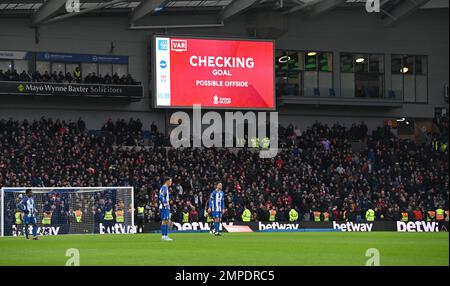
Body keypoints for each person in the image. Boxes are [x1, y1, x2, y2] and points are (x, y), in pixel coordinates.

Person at [159, 177, 173, 241]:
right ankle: (165, 236)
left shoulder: (165, 188)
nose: (171, 182)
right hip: (165, 207)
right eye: (170, 181)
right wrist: (165, 204)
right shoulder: (164, 188)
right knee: (166, 221)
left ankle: (164, 236)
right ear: (167, 181)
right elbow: (161, 197)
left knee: (164, 221)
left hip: (164, 207)